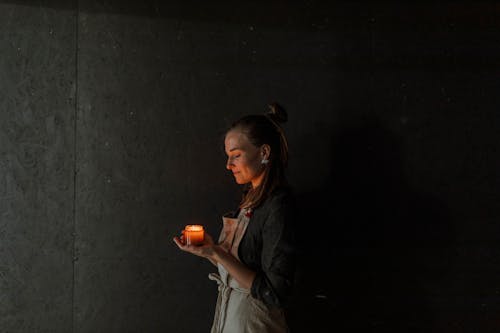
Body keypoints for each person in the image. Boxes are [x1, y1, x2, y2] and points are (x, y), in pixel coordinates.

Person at [173, 103, 297, 332]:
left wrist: (216, 252)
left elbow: (275, 292)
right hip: (231, 319)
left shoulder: (279, 206)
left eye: (236, 155)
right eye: (228, 156)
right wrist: (209, 251)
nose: (229, 165)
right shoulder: (250, 200)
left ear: (264, 153)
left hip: (256, 325)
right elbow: (238, 270)